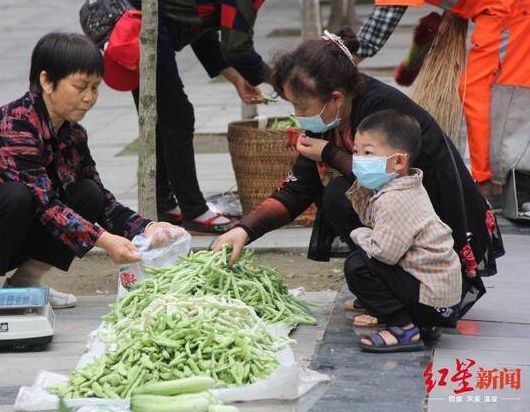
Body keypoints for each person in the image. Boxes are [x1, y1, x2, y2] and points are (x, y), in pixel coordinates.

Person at [214, 30, 504, 326]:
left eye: (301, 106)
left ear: (335, 98)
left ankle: (405, 307)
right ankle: (388, 283)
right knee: (338, 196)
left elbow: (393, 178)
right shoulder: (329, 116)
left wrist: (329, 153)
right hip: (396, 217)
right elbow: (299, 188)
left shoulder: (382, 109)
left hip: (435, 212)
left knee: (354, 244)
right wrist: (244, 230)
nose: (298, 114)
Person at [0, 32, 184, 308]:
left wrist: (148, 227)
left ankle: (24, 285)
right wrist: (104, 240)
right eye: (80, 87)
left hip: (12, 233)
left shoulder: (73, 134)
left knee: (87, 194)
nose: (89, 98)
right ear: (46, 82)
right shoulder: (15, 125)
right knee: (16, 196)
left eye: (95, 87)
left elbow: (101, 199)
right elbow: (43, 204)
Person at [104, 0, 300, 233]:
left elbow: (201, 27)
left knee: (163, 116)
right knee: (177, 116)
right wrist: (284, 83)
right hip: (139, 18)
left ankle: (163, 203)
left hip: (137, 12)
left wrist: (237, 79)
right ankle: (194, 211)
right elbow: (237, 47)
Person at [355, 0, 530, 201]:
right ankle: (489, 178)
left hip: (511, 5)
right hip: (498, 3)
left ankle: (489, 183)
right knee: (480, 90)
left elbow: (379, 26)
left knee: (486, 92)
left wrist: (346, 56)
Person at [342, 110, 461, 352]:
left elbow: (383, 253)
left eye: (368, 153)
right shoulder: (404, 186)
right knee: (365, 258)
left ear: (398, 162)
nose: (358, 159)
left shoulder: (395, 199)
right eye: (355, 151)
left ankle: (405, 327)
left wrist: (358, 234)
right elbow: (370, 218)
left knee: (358, 265)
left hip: (433, 302)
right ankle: (419, 322)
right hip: (438, 299)